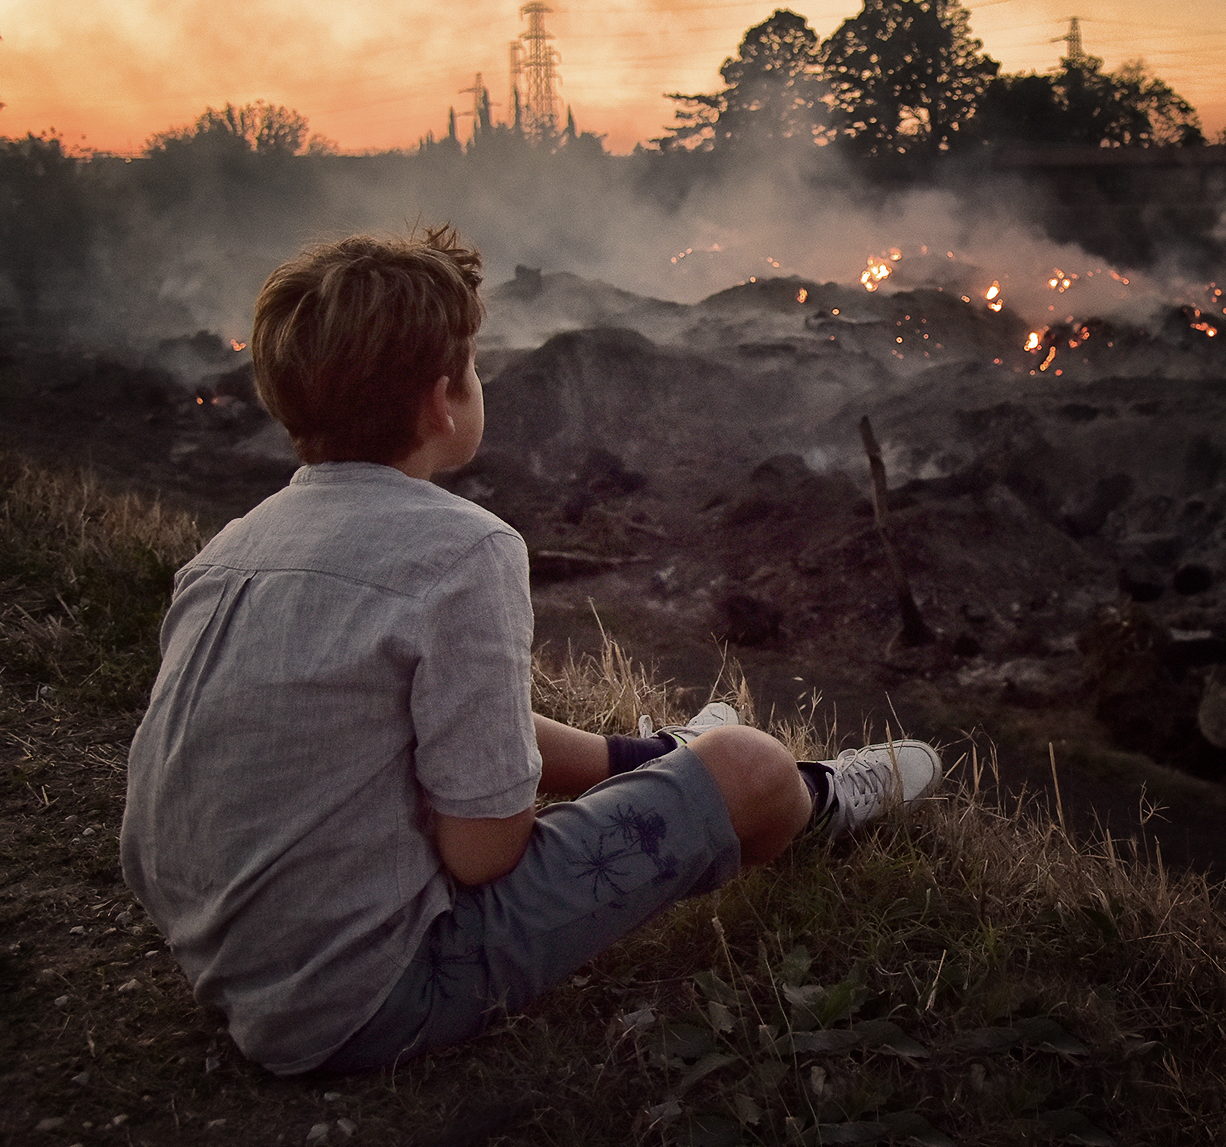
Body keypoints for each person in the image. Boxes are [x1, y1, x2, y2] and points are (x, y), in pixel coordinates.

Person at [119, 226, 942, 1075]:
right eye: (475, 369)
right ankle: (819, 800)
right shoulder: (464, 551)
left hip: (225, 962)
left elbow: (444, 725)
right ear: (444, 401)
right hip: (373, 994)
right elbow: (484, 856)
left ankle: (662, 753)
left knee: (495, 731)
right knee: (748, 765)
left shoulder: (228, 551)